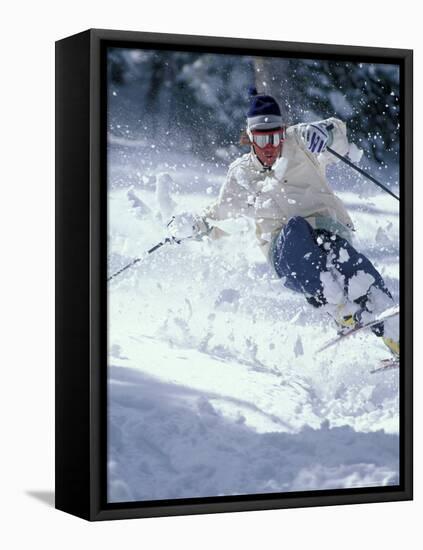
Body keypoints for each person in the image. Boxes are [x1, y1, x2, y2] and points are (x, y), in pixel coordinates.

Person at [167, 88, 399, 358]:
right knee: (296, 229)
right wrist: (194, 226)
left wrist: (326, 133)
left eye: (275, 138)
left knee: (352, 266)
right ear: (250, 138)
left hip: (328, 230)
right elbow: (219, 213)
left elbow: (338, 137)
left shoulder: (299, 142)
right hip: (286, 255)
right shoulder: (241, 174)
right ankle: (339, 309)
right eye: (262, 140)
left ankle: (397, 336)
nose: (270, 148)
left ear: (283, 132)